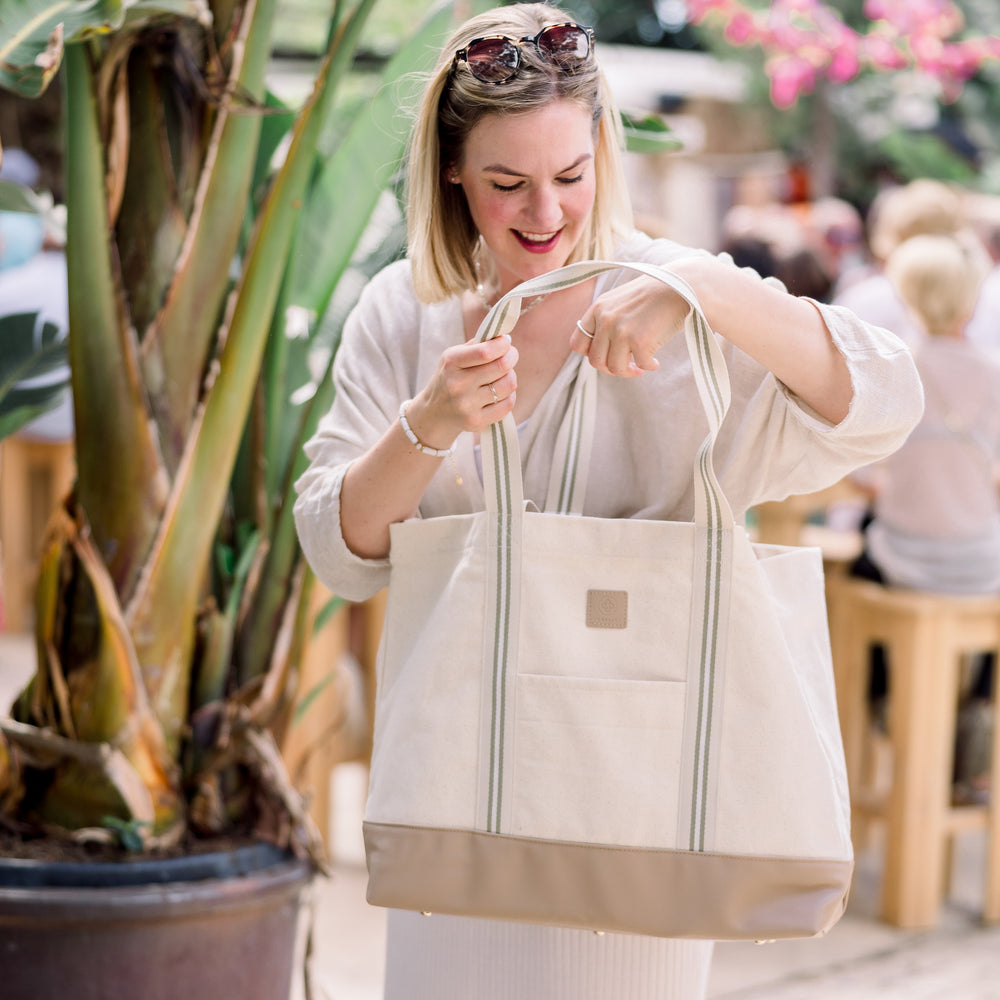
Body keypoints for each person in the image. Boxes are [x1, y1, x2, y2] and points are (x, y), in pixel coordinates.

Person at [293, 6, 923, 997]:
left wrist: (702, 287)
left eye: (571, 178)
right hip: (466, 812)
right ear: (452, 173)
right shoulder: (400, 313)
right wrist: (429, 422)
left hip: (648, 812)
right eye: (506, 183)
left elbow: (886, 399)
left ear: (602, 160)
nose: (545, 212)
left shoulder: (676, 304)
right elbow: (339, 550)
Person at [849, 233, 1000, 801]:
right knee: (988, 599)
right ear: (972, 301)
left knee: (857, 575)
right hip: (982, 563)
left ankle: (886, 703)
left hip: (904, 558)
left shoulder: (893, 368)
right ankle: (977, 710)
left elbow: (863, 471)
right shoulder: (995, 372)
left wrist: (891, 484)